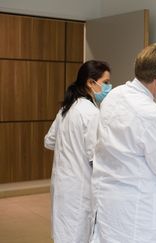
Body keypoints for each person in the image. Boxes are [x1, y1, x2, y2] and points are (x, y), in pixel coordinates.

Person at [91, 43, 156, 243]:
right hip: (136, 210)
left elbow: (131, 126)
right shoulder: (151, 115)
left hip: (108, 200)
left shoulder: (115, 95)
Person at [44, 60, 111, 243]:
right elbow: (94, 157)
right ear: (90, 82)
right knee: (77, 234)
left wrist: (68, 146)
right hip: (79, 188)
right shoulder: (91, 113)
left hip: (62, 185)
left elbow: (49, 141)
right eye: (105, 82)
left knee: (63, 233)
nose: (108, 87)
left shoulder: (66, 109)